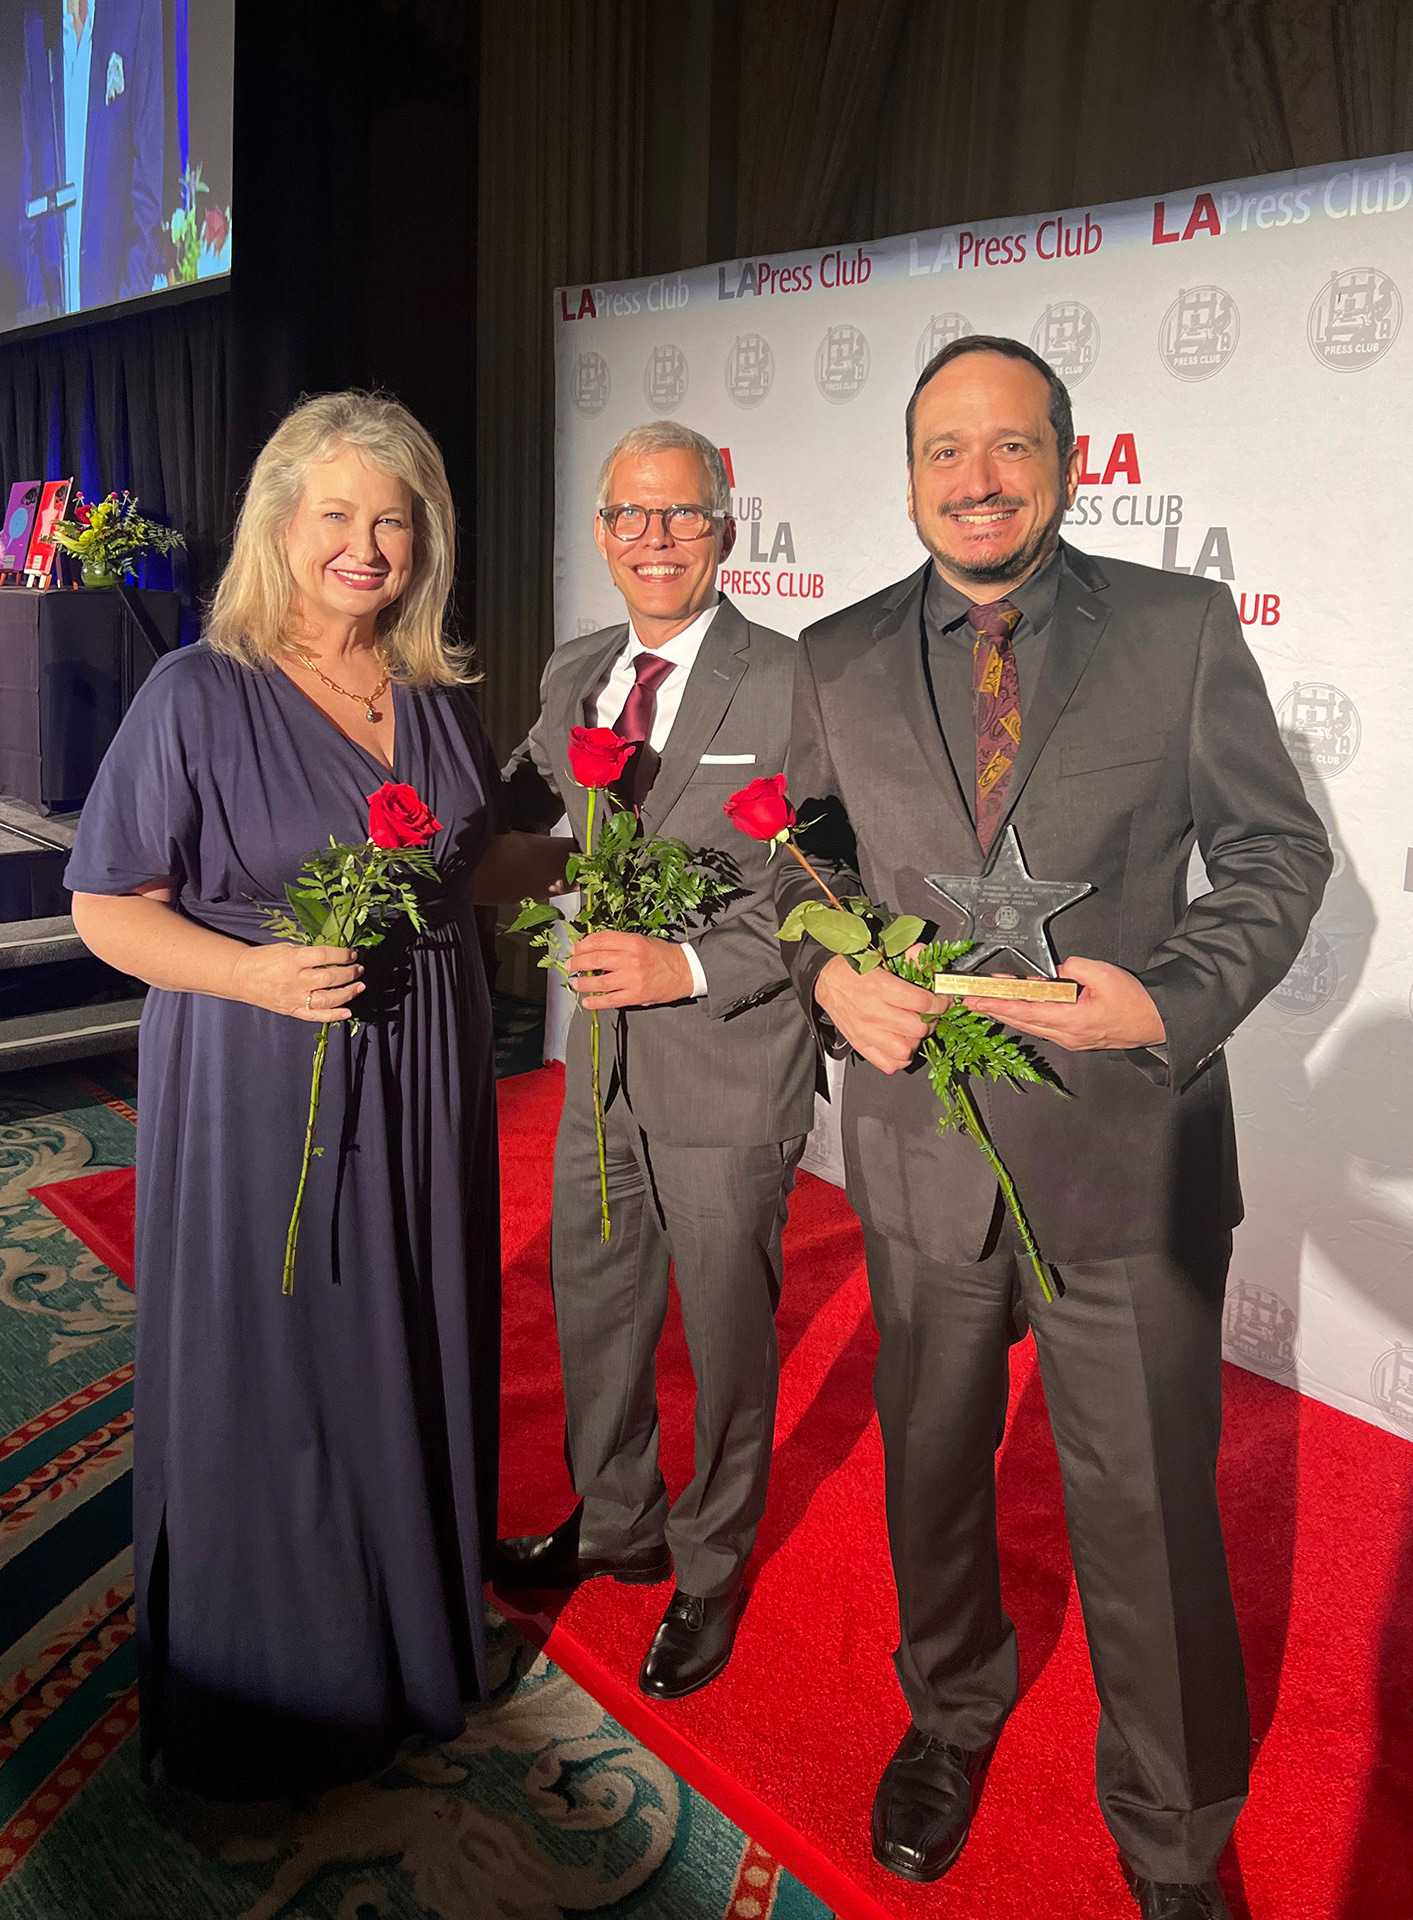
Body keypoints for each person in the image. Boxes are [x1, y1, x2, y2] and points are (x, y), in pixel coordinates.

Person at [775, 337, 1331, 1918]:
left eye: (1011, 445)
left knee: (1149, 1513)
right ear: (907, 479)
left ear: (1071, 464)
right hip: (920, 1156)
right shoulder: (834, 655)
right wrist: (829, 976)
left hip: (1128, 1153)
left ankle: (1175, 1837)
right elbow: (793, 861)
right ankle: (951, 1711)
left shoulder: (1178, 629)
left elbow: (1278, 854)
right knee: (933, 1472)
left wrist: (1167, 1000)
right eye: (944, 450)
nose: (978, 478)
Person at [66, 390, 567, 1799]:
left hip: (428, 1076)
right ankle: (275, 1698)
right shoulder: (198, 692)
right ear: (279, 525)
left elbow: (465, 864)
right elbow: (109, 907)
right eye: (337, 514)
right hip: (262, 1077)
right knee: (280, 1369)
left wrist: (601, 854)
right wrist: (254, 976)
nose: (366, 545)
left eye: (394, 522)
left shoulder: (431, 694)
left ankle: (408, 1644)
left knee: (412, 1332)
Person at [496, 420, 817, 1699]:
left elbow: (829, 882)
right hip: (599, 1067)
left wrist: (685, 966)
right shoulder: (575, 670)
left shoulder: (793, 680)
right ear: (601, 532)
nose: (655, 538)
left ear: (725, 530)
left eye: (682, 514)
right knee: (597, 1302)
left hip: (729, 1063)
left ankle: (712, 1563)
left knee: (729, 1335)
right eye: (630, 514)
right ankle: (618, 1522)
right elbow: (523, 815)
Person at [19, 0, 164, 322]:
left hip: (117, 313)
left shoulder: (135, 10)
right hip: (50, 322)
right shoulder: (37, 24)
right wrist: (38, 311)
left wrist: (130, 305)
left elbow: (149, 169)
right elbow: (27, 177)